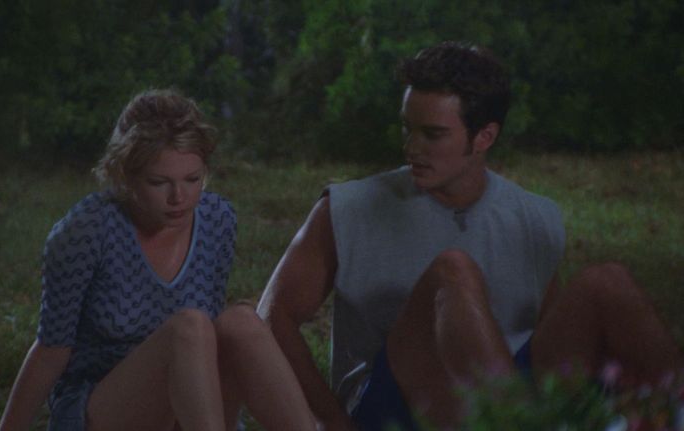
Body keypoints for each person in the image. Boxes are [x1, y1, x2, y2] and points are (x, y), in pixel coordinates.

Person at [257, 42, 682, 430]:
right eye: (408, 128)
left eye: (432, 134)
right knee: (453, 272)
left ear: (484, 137)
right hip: (396, 400)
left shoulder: (534, 216)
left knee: (607, 282)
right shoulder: (349, 207)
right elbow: (273, 315)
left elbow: (547, 335)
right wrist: (331, 420)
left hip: (503, 391)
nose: (412, 147)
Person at [0, 89, 316, 431]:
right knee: (189, 328)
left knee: (241, 322)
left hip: (191, 404)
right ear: (125, 175)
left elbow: (213, 339)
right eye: (159, 182)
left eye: (193, 180)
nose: (179, 197)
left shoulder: (218, 219)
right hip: (105, 407)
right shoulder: (86, 231)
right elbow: (51, 351)